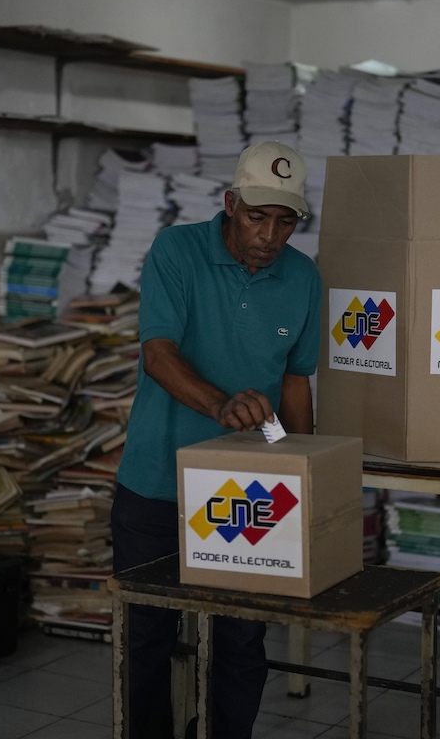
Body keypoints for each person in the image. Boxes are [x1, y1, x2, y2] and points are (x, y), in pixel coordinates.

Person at [111, 140, 322, 739]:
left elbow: (294, 384)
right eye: (258, 216)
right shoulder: (177, 251)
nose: (270, 235)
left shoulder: (303, 278)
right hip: (156, 481)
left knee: (240, 636)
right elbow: (158, 353)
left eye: (286, 221)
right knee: (146, 636)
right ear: (231, 203)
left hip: (245, 490)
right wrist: (219, 403)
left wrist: (301, 475)